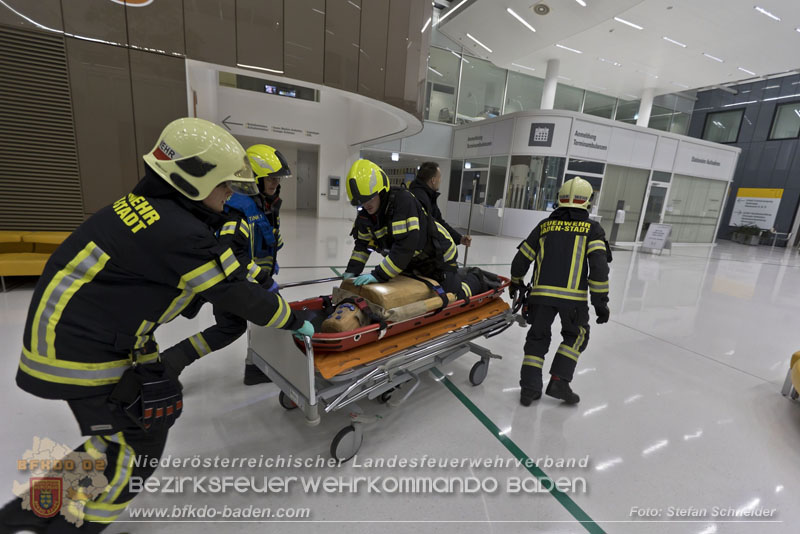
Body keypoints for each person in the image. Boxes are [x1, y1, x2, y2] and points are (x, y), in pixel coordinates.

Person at [1, 118, 313, 533]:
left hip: (78, 336)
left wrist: (153, 364)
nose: (229, 195)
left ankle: (26, 515)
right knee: (135, 447)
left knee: (108, 444)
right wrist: (295, 319)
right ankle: (70, 527)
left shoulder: (152, 207)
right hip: (78, 353)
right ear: (194, 181)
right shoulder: (179, 232)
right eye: (225, 185)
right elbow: (236, 295)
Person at [159, 144, 291, 386]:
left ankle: (254, 368)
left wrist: (273, 259)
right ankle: (170, 362)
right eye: (271, 178)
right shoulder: (237, 211)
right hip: (234, 281)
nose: (275, 183)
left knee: (246, 322)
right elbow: (232, 256)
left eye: (278, 178)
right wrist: (263, 278)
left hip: (249, 280)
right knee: (236, 325)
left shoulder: (266, 204)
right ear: (255, 179)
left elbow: (270, 236)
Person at [510, 176, 610, 406]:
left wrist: (516, 281)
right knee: (576, 335)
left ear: (560, 200)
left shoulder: (545, 226)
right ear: (588, 202)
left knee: (537, 337)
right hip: (573, 301)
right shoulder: (592, 230)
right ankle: (559, 381)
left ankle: (529, 389)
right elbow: (598, 269)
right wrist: (600, 303)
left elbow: (522, 258)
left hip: (540, 297)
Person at [342, 159, 485, 301]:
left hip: (439, 257)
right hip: (413, 261)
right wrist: (352, 271)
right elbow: (362, 245)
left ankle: (475, 278)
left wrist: (378, 274)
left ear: (381, 190)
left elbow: (405, 246)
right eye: (361, 201)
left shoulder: (402, 202)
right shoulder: (366, 215)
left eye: (370, 199)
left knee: (451, 297)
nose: (366, 205)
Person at [408, 161, 471, 248]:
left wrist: (459, 238)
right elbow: (431, 227)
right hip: (417, 251)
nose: (440, 180)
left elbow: (439, 221)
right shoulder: (422, 198)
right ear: (433, 180)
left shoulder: (424, 194)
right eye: (439, 177)